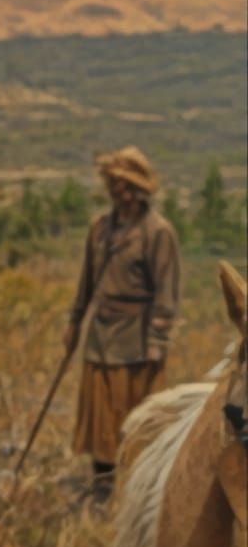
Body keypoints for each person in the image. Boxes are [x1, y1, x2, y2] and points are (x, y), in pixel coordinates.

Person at [67, 146, 180, 496]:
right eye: (114, 185)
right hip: (101, 337)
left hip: (137, 339)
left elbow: (166, 290)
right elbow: (87, 281)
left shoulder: (157, 232)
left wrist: (157, 341)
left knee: (135, 416)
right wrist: (75, 322)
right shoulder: (100, 228)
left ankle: (139, 487)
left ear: (140, 188)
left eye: (126, 185)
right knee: (101, 416)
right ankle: (103, 484)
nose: (120, 193)